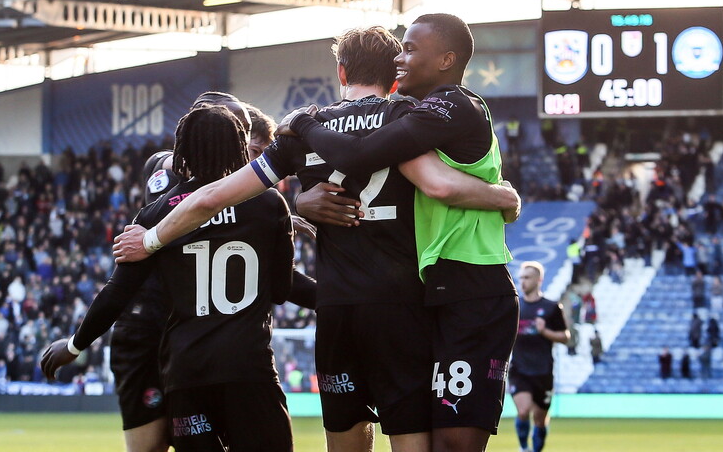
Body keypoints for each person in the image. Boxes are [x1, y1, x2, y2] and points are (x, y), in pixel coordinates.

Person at [114, 24, 520, 452]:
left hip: (336, 309)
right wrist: (505, 197)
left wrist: (152, 239)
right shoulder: (403, 122)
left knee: (344, 437)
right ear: (394, 74)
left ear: (341, 73)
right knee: (411, 439)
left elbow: (211, 197)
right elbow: (439, 184)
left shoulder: (297, 136)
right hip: (401, 309)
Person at [271, 13, 519, 452]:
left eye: (410, 50)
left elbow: (423, 178)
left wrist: (504, 198)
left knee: (453, 443)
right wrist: (301, 200)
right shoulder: (412, 117)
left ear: (446, 59)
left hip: (472, 286)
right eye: (398, 52)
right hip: (428, 293)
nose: (400, 60)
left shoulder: (451, 106)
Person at [41, 105, 303, 451]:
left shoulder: (157, 213)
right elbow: (282, 290)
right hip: (248, 368)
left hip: (186, 374)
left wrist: (74, 345)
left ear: (183, 152)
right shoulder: (269, 203)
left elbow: (116, 294)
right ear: (240, 146)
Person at [109, 91, 317, 452]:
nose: (254, 171)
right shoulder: (168, 170)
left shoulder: (260, 205)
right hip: (152, 334)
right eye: (253, 155)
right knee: (150, 446)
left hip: (198, 346)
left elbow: (274, 283)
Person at [508, 261, 570, 452]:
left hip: (543, 371)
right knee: (523, 410)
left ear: (539, 280)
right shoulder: (514, 307)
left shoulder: (551, 308)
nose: (522, 282)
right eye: (521, 278)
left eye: (527, 278)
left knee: (540, 420)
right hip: (519, 369)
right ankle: (523, 448)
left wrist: (545, 332)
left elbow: (565, 337)